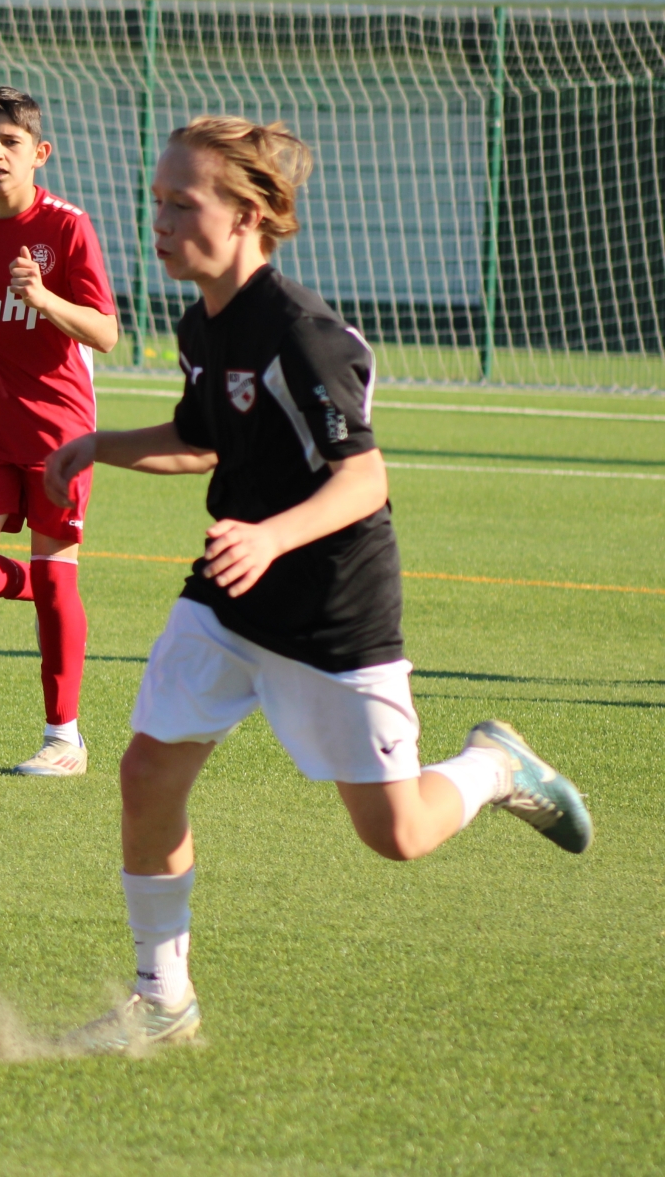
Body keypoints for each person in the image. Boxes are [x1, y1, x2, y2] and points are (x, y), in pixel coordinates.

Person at [43, 115, 593, 1054]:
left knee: (396, 834)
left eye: (183, 203)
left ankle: (496, 766)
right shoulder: (201, 322)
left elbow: (363, 479)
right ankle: (162, 999)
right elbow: (204, 440)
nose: (160, 222)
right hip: (230, 592)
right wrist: (101, 445)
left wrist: (270, 537)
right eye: (157, 201)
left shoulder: (302, 335)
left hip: (332, 604)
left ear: (247, 215)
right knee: (147, 773)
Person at [0, 88, 119, 776]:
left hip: (55, 431)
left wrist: (42, 297)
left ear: (39, 153)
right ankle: (43, 587)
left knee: (56, 569)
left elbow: (106, 333)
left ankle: (64, 739)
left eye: (10, 142)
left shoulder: (67, 227)